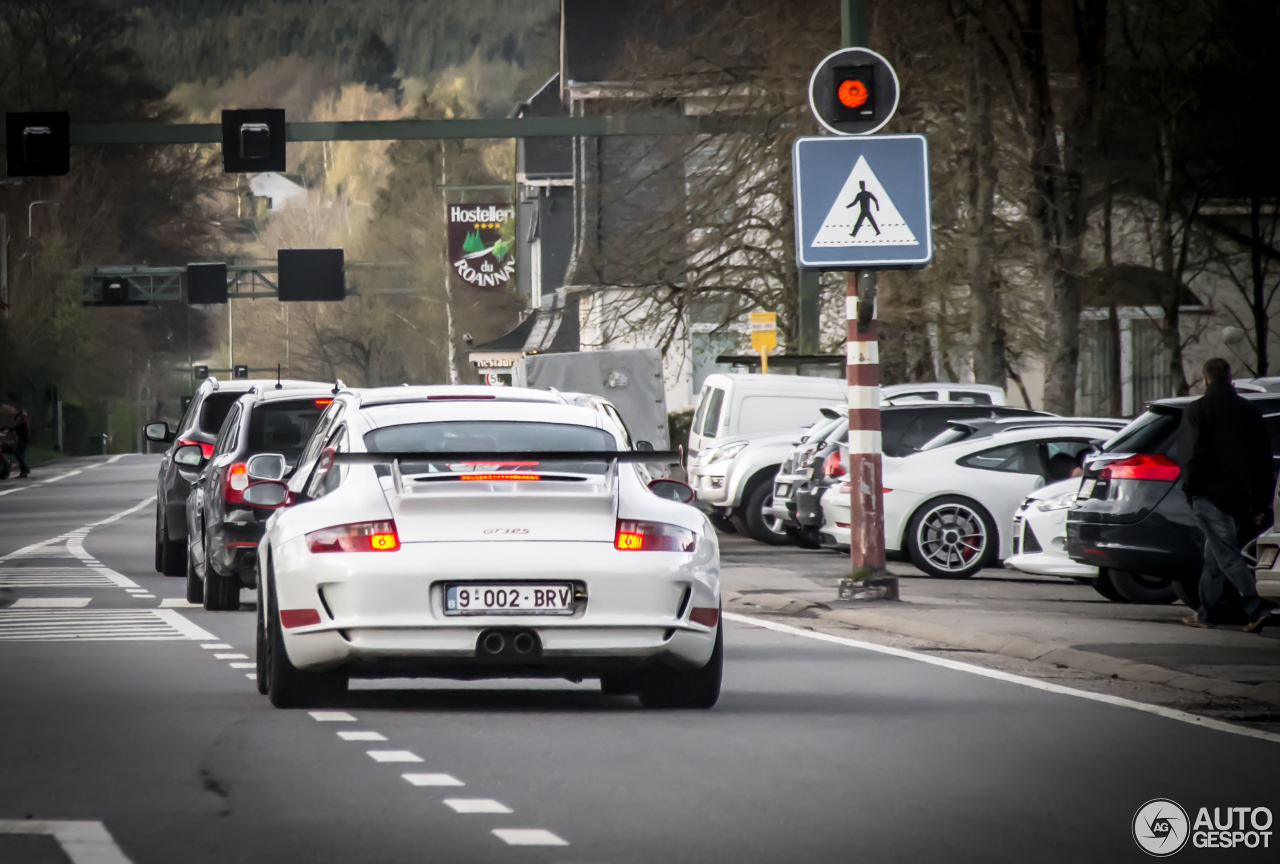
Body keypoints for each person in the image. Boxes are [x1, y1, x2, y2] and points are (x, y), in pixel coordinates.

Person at [1178, 358, 1273, 632]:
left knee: (1227, 554)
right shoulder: (1249, 412)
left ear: (1205, 378)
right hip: (1241, 496)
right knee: (1216, 554)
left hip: (1209, 494)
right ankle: (1206, 613)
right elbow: (1262, 460)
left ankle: (1258, 607)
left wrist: (1191, 488)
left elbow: (1192, 454)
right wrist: (1260, 502)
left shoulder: (1198, 410)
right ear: (1230, 378)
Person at [5, 402, 30, 478]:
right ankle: (23, 472)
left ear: (17, 410)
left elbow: (20, 425)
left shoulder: (21, 416)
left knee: (17, 453)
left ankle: (25, 469)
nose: (12, 410)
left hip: (23, 438)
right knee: (20, 454)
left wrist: (10, 429)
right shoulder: (19, 416)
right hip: (22, 437)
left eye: (13, 408)